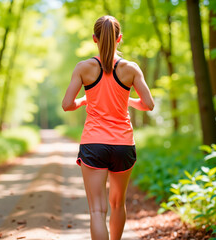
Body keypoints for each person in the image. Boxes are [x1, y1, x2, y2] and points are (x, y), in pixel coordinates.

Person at [62, 15, 154, 240]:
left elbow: (67, 105)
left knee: (97, 210)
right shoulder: (131, 69)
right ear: (119, 38)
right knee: (117, 203)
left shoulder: (83, 68)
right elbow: (148, 105)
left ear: (95, 39)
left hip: (94, 144)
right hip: (123, 145)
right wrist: (128, 100)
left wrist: (84, 100)